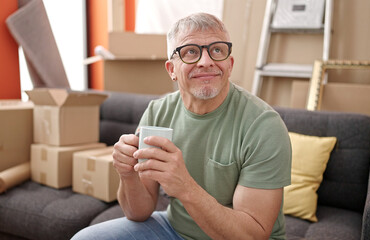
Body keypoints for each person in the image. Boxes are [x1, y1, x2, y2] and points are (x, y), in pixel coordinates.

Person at [72, 12, 291, 240]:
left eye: (217, 50)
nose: (206, 62)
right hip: (174, 229)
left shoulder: (263, 126)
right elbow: (137, 212)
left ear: (230, 63)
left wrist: (185, 186)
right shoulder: (158, 112)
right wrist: (127, 173)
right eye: (190, 52)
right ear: (171, 70)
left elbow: (252, 236)